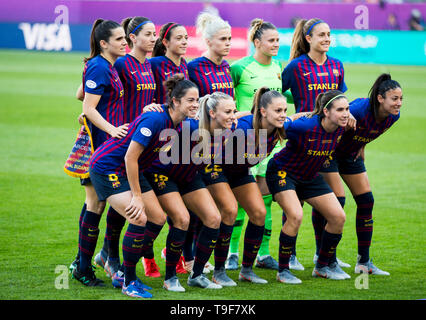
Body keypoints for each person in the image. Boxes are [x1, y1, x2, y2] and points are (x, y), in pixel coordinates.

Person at [93, 16, 162, 280]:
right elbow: (87, 94)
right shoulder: (122, 63)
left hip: (140, 145)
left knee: (130, 211)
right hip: (120, 144)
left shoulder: (150, 65)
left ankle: (110, 255)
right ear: (132, 37)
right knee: (115, 206)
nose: (153, 38)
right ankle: (109, 258)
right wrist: (91, 115)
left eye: (155, 33)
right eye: (148, 33)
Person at [227, 18, 298, 272]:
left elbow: (284, 96)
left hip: (272, 142)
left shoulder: (279, 66)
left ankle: (263, 254)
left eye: (278, 40)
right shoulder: (239, 67)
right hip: (244, 141)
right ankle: (232, 253)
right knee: (240, 200)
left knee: (266, 200)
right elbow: (225, 96)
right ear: (257, 42)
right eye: (271, 40)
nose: (276, 44)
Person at [202, 87, 293, 285]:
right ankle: (219, 271)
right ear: (262, 111)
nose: (283, 115)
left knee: (259, 213)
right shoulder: (241, 128)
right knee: (230, 210)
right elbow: (208, 136)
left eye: (285, 110)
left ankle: (247, 270)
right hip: (216, 168)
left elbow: (303, 120)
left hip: (240, 171)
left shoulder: (279, 128)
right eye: (278, 111)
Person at [317, 74, 402, 276]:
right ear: (381, 98)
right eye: (394, 99)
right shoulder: (358, 110)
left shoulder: (393, 116)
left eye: (401, 99)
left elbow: (368, 131)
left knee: (366, 201)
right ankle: (327, 261)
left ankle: (364, 262)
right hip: (329, 153)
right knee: (336, 202)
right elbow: (325, 124)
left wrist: (361, 144)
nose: (399, 103)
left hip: (350, 155)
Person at [281, 18, 350, 268]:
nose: (327, 38)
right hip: (301, 139)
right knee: (295, 200)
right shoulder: (296, 66)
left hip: (328, 142)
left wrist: (347, 112)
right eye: (321, 35)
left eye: (329, 34)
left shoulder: (336, 65)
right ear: (308, 39)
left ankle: (323, 254)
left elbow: (341, 96)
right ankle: (289, 255)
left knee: (337, 197)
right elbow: (277, 94)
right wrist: (288, 116)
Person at [266, 90, 352, 284]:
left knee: (338, 218)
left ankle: (322, 266)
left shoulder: (341, 128)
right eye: (340, 109)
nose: (346, 113)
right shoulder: (303, 126)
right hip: (283, 172)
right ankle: (283, 270)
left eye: (347, 109)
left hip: (309, 177)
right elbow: (275, 127)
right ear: (325, 111)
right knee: (295, 215)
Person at [70, 19, 129, 287]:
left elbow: (80, 93)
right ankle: (83, 269)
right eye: (119, 39)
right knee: (95, 204)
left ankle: (80, 262)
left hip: (104, 144)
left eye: (124, 37)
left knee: (95, 203)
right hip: (98, 146)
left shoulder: (107, 66)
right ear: (104, 43)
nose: (124, 42)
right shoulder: (99, 66)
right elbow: (88, 107)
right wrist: (112, 129)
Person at [188, 12, 234, 98]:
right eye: (223, 39)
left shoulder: (226, 66)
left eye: (229, 39)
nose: (228, 43)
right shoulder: (193, 67)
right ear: (208, 41)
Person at [150, 22, 190, 104]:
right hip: (161, 115)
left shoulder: (184, 63)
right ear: (165, 42)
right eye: (179, 38)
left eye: (186, 38)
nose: (184, 42)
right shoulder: (154, 63)